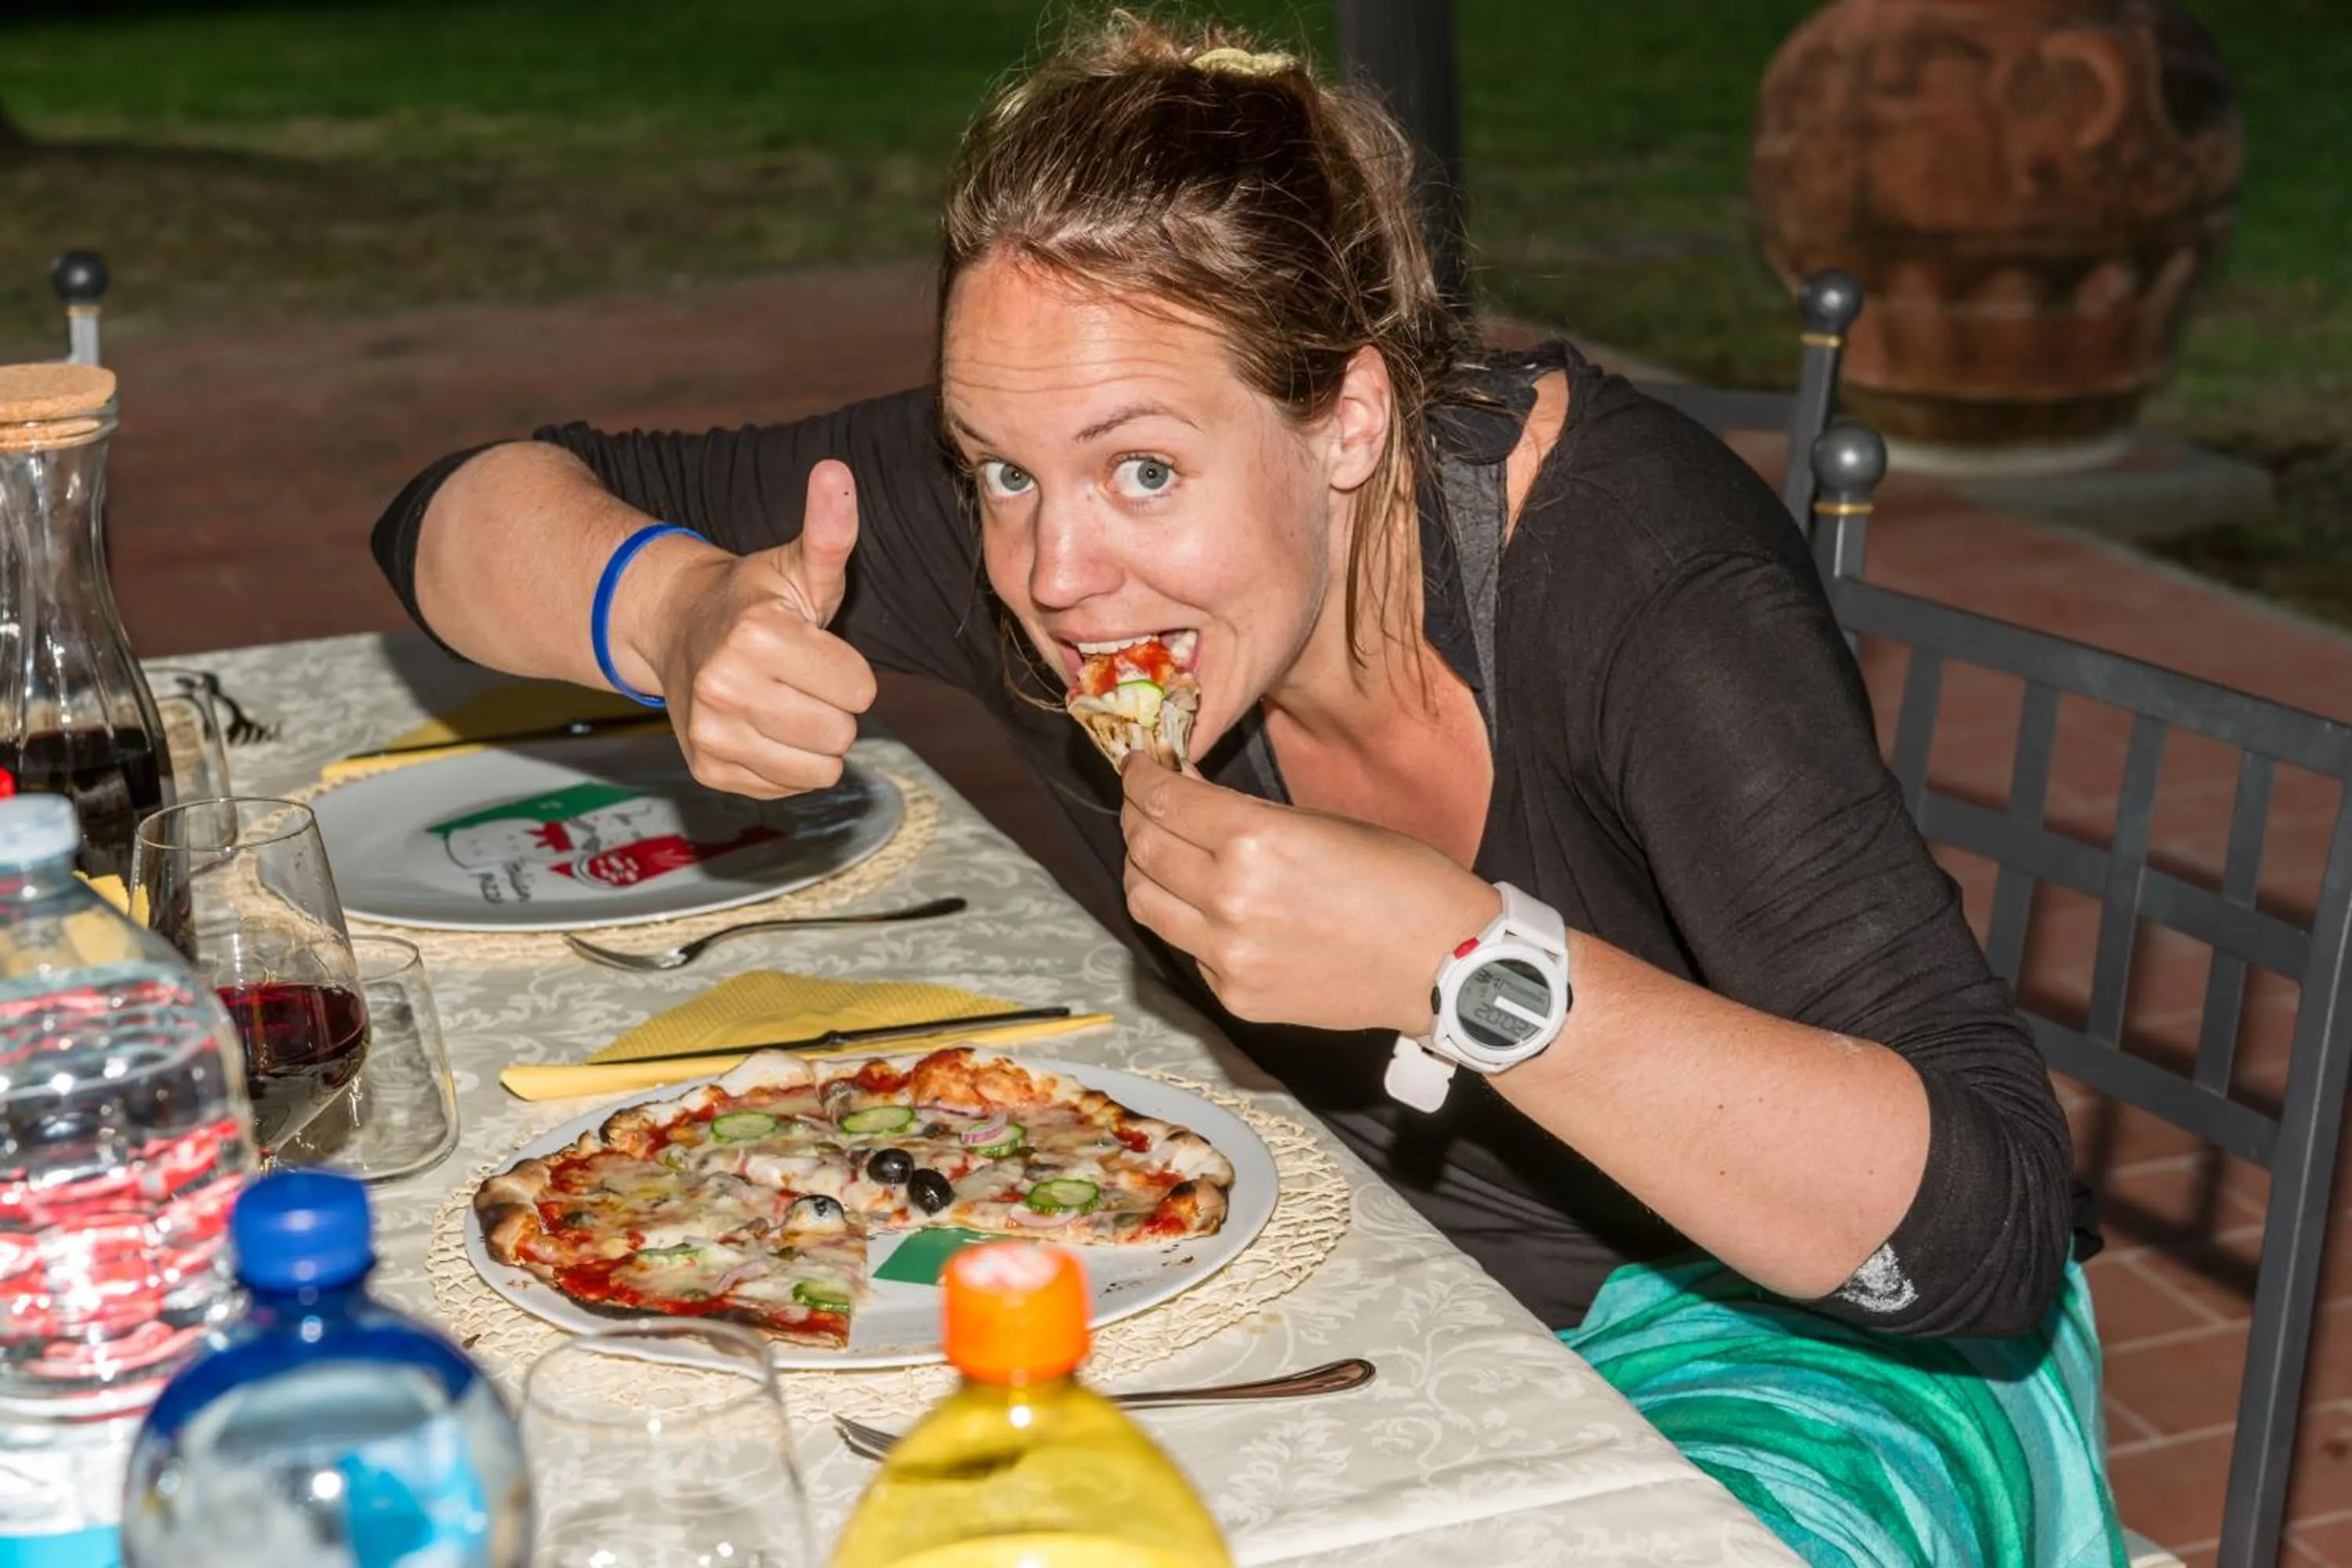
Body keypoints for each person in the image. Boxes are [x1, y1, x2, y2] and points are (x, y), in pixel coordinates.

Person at [371, 14, 2122, 1565]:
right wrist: (676, 610)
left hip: (1816, 1352)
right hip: (1391, 1297)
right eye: (999, 469)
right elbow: (458, 506)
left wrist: (1472, 967)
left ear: (1347, 419)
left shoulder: (1637, 583)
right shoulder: (1051, 518)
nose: (1059, 573)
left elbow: (1983, 1237)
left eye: (1146, 467)